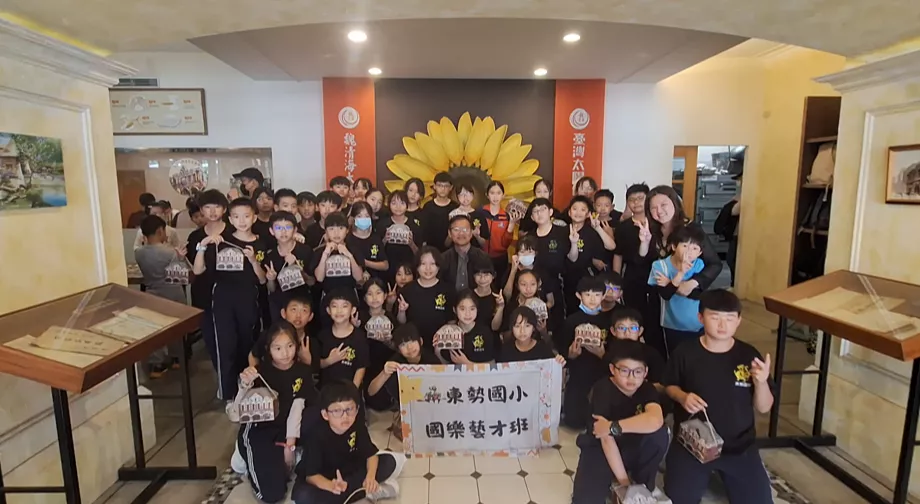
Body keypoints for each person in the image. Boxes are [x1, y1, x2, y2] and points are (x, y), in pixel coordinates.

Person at [663, 289, 774, 504]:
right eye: (715, 317)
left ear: (738, 321)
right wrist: (683, 397)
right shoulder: (685, 352)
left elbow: (764, 407)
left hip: (739, 447)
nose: (723, 325)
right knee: (679, 498)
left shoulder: (748, 355)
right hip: (692, 444)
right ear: (700, 318)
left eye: (730, 319)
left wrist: (761, 383)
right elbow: (669, 385)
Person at [572, 340, 669, 504]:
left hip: (633, 447)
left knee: (659, 434)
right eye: (624, 371)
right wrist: (625, 485)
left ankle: (643, 482)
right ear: (612, 369)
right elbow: (605, 438)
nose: (631, 378)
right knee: (586, 500)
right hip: (601, 449)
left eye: (638, 371)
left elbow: (655, 420)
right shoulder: (602, 389)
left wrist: (612, 427)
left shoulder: (647, 389)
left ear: (645, 372)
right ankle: (619, 480)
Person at [192, 197, 268, 401]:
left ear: (254, 218)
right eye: (236, 217)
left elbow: (262, 279)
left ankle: (248, 389)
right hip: (223, 299)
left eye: (246, 216)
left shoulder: (260, 243)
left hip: (248, 297)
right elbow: (198, 270)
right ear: (230, 219)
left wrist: (253, 260)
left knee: (248, 344)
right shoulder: (221, 241)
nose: (242, 221)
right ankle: (228, 394)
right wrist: (203, 246)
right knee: (225, 345)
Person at [234, 322, 317, 503]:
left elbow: (297, 409)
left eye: (290, 346)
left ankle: (286, 454)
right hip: (261, 432)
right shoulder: (259, 373)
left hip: (287, 429)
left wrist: (290, 445)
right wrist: (244, 384)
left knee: (317, 415)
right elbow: (237, 410)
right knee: (273, 494)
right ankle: (245, 456)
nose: (285, 353)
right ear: (268, 349)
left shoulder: (302, 371)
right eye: (278, 348)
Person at [291, 381, 406, 504]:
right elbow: (311, 475)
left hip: (350, 471)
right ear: (325, 414)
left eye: (349, 409)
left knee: (388, 462)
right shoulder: (316, 435)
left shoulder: (357, 425)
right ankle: (366, 492)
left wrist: (370, 477)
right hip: (325, 478)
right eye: (337, 411)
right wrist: (331, 486)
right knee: (304, 497)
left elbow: (371, 454)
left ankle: (359, 491)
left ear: (357, 409)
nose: (345, 416)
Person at [612, 184, 662, 357]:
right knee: (634, 315)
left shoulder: (657, 224)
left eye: (640, 198)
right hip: (632, 276)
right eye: (631, 200)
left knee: (654, 319)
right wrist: (617, 282)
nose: (636, 203)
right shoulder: (623, 227)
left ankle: (654, 356)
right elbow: (618, 254)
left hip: (656, 276)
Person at [134, 215, 186, 377]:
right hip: (172, 293)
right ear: (160, 231)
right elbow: (179, 276)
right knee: (176, 329)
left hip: (152, 293)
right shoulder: (170, 253)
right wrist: (181, 259)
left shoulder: (139, 253)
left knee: (155, 330)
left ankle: (156, 364)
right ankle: (177, 358)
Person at [366, 323, 439, 437]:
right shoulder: (395, 361)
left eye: (412, 341)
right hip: (404, 402)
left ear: (421, 341)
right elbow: (371, 391)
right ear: (398, 349)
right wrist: (384, 373)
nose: (409, 347)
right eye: (403, 344)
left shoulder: (432, 361)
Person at [559, 276, 610, 429]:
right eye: (587, 294)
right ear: (578, 295)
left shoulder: (608, 321)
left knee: (599, 418)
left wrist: (602, 354)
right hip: (578, 373)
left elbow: (615, 353)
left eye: (597, 294)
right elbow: (562, 349)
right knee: (573, 422)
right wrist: (570, 355)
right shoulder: (571, 320)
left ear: (604, 296)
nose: (592, 299)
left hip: (601, 373)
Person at [649, 226, 707, 355]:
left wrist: (670, 283)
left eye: (694, 248)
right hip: (672, 324)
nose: (689, 252)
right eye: (685, 246)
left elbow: (697, 294)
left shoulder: (699, 265)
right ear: (674, 247)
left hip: (697, 323)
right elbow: (665, 294)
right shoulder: (659, 266)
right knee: (675, 357)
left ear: (700, 253)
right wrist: (681, 273)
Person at [531, 197, 579, 329]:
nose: (539, 213)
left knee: (558, 322)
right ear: (532, 217)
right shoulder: (530, 237)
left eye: (543, 209)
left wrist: (574, 243)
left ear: (550, 212)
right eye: (535, 211)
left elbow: (573, 258)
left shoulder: (563, 232)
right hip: (537, 286)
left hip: (559, 284)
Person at [563, 195, 615, 315]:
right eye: (575, 209)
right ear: (569, 212)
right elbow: (572, 259)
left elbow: (611, 246)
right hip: (568, 279)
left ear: (588, 214)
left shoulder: (592, 232)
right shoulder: (562, 231)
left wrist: (598, 228)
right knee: (571, 312)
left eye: (583, 210)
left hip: (588, 279)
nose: (578, 213)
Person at [310, 212, 364, 327]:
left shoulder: (354, 249)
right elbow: (319, 278)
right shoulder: (319, 252)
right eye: (331, 229)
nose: (336, 233)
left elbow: (359, 277)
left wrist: (348, 255)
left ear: (347, 230)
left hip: (350, 297)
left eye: (340, 228)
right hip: (328, 299)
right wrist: (325, 253)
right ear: (326, 231)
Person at [396, 246, 454, 348]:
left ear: (438, 266)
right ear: (417, 266)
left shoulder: (447, 290)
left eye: (432, 264)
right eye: (423, 264)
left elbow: (451, 321)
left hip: (439, 345)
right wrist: (402, 311)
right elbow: (402, 322)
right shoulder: (407, 290)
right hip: (413, 346)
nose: (428, 268)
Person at [262, 211, 314, 322]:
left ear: (295, 230)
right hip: (279, 303)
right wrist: (271, 279)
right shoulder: (270, 255)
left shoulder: (305, 251)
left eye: (288, 227)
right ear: (271, 231)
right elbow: (271, 289)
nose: (283, 231)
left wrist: (297, 268)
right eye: (278, 228)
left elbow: (312, 282)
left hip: (301, 302)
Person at [186, 190, 232, 313]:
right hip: (202, 291)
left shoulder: (233, 233)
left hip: (228, 292)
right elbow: (194, 268)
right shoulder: (195, 237)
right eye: (207, 207)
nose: (212, 211)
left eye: (217, 207)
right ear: (201, 210)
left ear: (224, 209)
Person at [356, 278, 399, 411]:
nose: (374, 298)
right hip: (367, 363)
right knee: (373, 400)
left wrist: (387, 341)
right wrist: (355, 328)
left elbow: (397, 347)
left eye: (378, 293)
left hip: (386, 361)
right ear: (364, 298)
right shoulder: (359, 317)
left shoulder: (390, 317)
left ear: (385, 296)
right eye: (370, 294)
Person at [317, 289, 369, 390]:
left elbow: (361, 367)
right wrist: (329, 361)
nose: (339, 310)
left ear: (353, 310)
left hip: (349, 391)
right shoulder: (322, 336)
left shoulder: (359, 337)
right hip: (327, 391)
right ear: (328, 310)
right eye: (334, 306)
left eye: (344, 306)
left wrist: (352, 391)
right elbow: (316, 364)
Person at [249, 295, 316, 369]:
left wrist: (307, 361)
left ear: (310, 316)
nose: (298, 315)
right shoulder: (270, 334)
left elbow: (314, 372)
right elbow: (253, 355)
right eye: (294, 309)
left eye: (304, 310)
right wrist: (254, 372)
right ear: (283, 313)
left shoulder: (312, 342)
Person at [609, 307, 665, 390]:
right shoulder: (609, 354)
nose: (627, 333)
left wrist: (637, 386)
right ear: (613, 331)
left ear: (640, 331)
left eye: (633, 328)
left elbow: (663, 385)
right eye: (621, 328)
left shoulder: (652, 354)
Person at [438, 290, 496, 364]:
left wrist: (466, 363)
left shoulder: (485, 332)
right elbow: (443, 364)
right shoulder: (449, 332)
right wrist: (437, 349)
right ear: (454, 310)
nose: (467, 314)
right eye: (462, 309)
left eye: (472, 309)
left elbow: (492, 364)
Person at [379, 190, 422, 284]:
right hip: (388, 269)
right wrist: (385, 239)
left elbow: (419, 253)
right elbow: (377, 250)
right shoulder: (382, 224)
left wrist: (411, 244)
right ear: (389, 205)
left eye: (402, 203)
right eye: (394, 203)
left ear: (407, 205)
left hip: (408, 270)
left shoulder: (414, 226)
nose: (398, 207)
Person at [440, 214, 491, 292]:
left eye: (465, 229)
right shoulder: (443, 259)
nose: (461, 233)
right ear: (449, 233)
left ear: (471, 233)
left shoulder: (483, 257)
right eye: (456, 229)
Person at [498, 306, 563, 364]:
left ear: (533, 328)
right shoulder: (505, 350)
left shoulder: (543, 349)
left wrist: (559, 364)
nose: (522, 331)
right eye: (517, 326)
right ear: (512, 328)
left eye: (527, 326)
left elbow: (554, 370)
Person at [481, 181, 516, 285]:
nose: (495, 197)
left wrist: (511, 224)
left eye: (498, 193)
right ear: (487, 195)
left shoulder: (506, 216)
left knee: (499, 285)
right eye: (492, 193)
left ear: (503, 195)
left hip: (500, 259)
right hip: (481, 257)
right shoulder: (480, 212)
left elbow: (506, 244)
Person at [347, 202, 388, 281]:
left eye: (367, 216)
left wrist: (365, 262)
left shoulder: (375, 238)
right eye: (359, 216)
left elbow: (385, 265)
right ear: (353, 218)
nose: (363, 219)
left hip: (374, 281)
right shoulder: (348, 239)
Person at [420, 172, 458, 251]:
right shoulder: (428, 206)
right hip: (430, 249)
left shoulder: (455, 207)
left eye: (446, 186)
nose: (443, 189)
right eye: (440, 185)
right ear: (434, 186)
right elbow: (423, 230)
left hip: (451, 250)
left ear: (451, 187)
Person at [448, 184, 490, 249]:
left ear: (473, 196)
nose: (465, 197)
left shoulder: (480, 215)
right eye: (461, 194)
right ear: (457, 197)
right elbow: (447, 243)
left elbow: (484, 244)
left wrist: (477, 236)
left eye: (468, 194)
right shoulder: (452, 214)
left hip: (475, 252)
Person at [471, 260, 504, 334]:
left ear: (493, 276)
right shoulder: (468, 295)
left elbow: (495, 327)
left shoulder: (498, 297)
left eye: (486, 275)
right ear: (474, 276)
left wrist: (500, 307)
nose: (482, 279)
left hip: (490, 336)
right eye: (478, 275)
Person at [592, 189, 621, 272]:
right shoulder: (590, 223)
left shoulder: (617, 224)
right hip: (591, 264)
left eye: (606, 205)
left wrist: (611, 234)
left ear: (612, 207)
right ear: (594, 206)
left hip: (611, 264)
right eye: (599, 205)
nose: (603, 209)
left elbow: (618, 249)